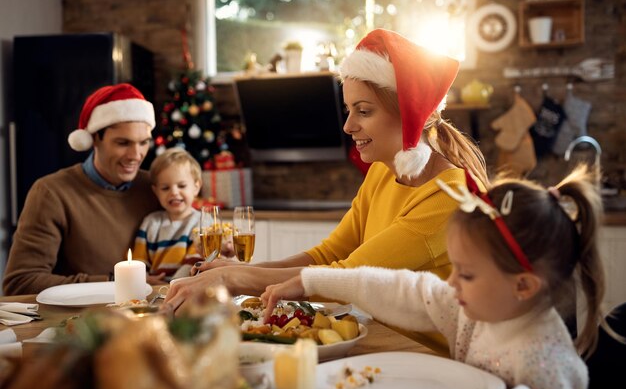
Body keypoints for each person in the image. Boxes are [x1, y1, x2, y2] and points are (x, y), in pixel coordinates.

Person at [165, 29, 488, 351]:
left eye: (363, 110)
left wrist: (233, 279)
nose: (348, 126)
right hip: (383, 339)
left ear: (411, 116)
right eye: (349, 110)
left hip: (429, 356)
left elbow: (347, 277)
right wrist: (243, 270)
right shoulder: (381, 173)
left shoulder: (448, 198)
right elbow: (329, 255)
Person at [261, 165, 623, 389]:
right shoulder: (471, 306)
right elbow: (400, 289)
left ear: (523, 286)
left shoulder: (547, 364)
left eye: (465, 273)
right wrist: (308, 280)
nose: (452, 282)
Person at [3, 83, 160, 295]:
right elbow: (20, 283)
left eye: (143, 142)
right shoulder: (51, 193)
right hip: (78, 324)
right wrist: (113, 282)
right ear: (94, 138)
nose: (136, 154)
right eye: (123, 143)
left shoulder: (156, 187)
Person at [132, 147, 202, 281]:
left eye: (181, 186)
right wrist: (144, 278)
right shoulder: (151, 222)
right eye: (165, 188)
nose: (174, 192)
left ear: (196, 187)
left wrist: (173, 285)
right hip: (152, 287)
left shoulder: (201, 222)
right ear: (156, 191)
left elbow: (194, 262)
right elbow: (139, 259)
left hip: (186, 285)